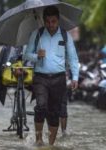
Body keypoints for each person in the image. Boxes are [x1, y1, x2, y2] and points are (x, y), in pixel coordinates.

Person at [24, 6, 79, 146]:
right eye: (47, 21)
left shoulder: (66, 36)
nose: (50, 25)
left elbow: (73, 59)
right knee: (41, 106)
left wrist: (75, 78)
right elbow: (27, 54)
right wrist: (37, 56)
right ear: (43, 20)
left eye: (53, 21)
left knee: (54, 112)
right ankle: (38, 140)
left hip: (59, 78)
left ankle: (51, 145)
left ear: (58, 20)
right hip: (40, 78)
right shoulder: (36, 34)